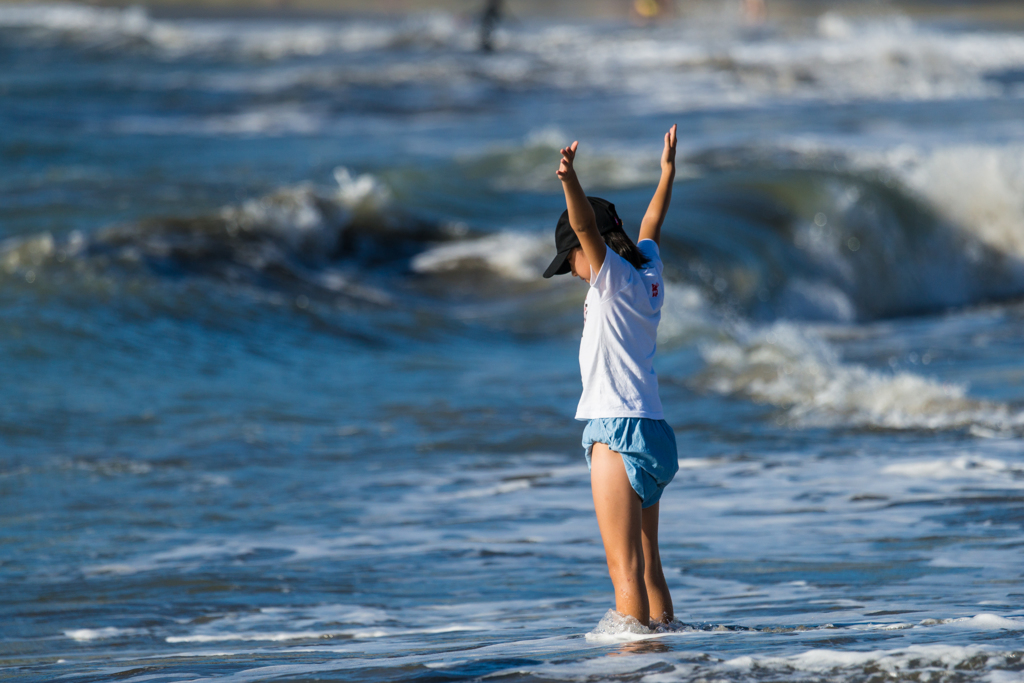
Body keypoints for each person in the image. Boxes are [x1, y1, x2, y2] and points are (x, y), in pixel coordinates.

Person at [542, 125, 680, 628]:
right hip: (654, 430)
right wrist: (666, 174)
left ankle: (633, 663)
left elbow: (584, 229)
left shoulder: (611, 281)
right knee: (649, 569)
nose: (573, 270)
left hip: (617, 430)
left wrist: (568, 180)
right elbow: (653, 222)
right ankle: (664, 654)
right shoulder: (648, 274)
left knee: (623, 569)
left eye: (570, 262)